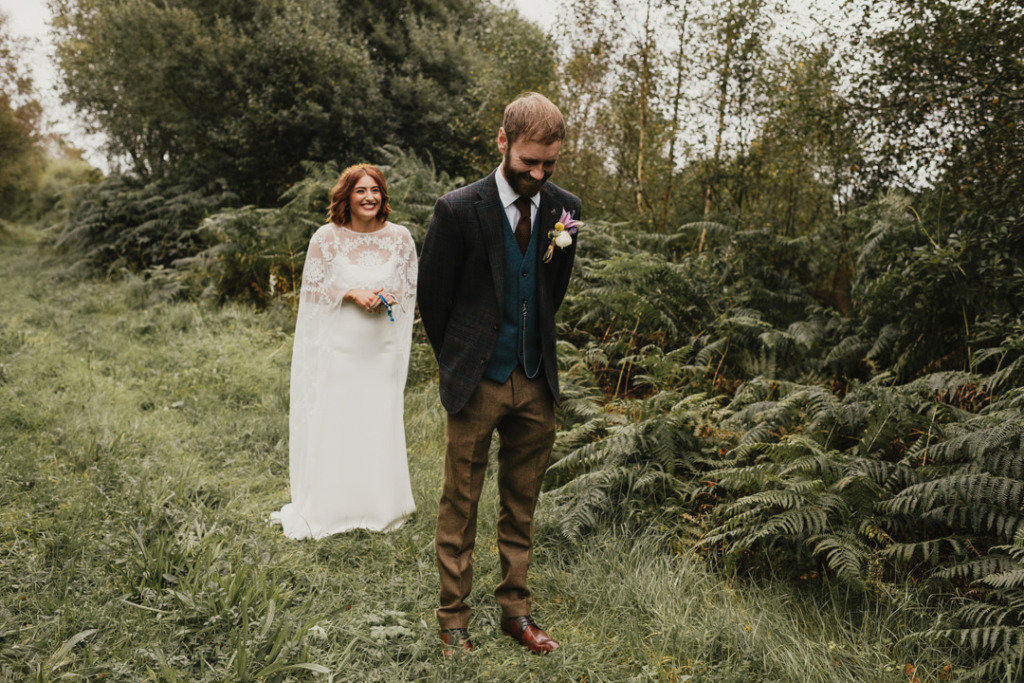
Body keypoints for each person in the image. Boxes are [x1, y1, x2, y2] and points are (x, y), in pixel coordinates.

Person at [417, 92, 581, 655]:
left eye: (549, 163)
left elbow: (551, 291)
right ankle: (453, 619)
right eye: (528, 161)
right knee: (460, 503)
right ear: (502, 142)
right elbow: (433, 303)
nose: (538, 173)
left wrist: (529, 348)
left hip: (536, 379)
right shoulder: (458, 209)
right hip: (477, 380)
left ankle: (516, 612)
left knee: (522, 501)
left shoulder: (565, 209)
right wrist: (464, 363)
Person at [272, 164, 417, 539]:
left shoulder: (400, 238)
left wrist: (389, 295)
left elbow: (409, 289)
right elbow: (313, 295)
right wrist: (349, 292)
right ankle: (334, 507)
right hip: (342, 347)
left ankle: (381, 506)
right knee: (340, 421)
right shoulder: (326, 238)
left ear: (383, 197)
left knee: (377, 420)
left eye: (376, 191)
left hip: (380, 348)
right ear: (346, 197)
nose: (370, 197)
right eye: (361, 191)